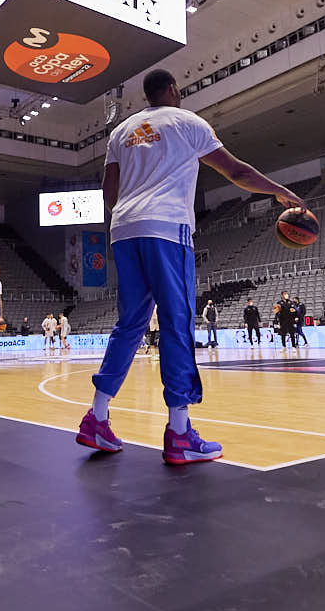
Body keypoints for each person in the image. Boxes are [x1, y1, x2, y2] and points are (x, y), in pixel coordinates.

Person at [75, 68, 303, 464]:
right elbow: (235, 171)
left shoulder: (120, 133)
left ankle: (97, 417)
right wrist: (278, 190)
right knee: (176, 322)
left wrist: (135, 207)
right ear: (173, 90)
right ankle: (179, 432)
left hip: (124, 230)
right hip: (166, 228)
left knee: (130, 324)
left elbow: (108, 194)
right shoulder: (187, 121)